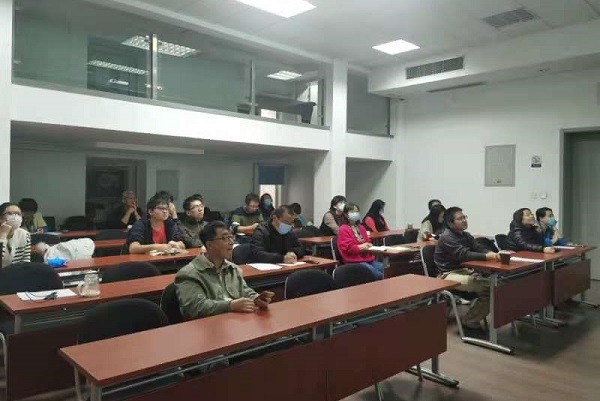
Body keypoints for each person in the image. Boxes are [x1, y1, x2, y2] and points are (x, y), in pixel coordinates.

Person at [175, 221, 274, 319]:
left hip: (234, 321)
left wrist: (256, 298)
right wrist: (230, 306)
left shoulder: (233, 268)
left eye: (231, 237)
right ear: (209, 244)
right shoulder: (189, 274)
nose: (231, 242)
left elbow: (244, 290)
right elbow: (194, 307)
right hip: (207, 325)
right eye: (225, 238)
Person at [434, 207, 498, 329]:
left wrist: (493, 254)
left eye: (464, 217)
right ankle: (469, 321)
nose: (464, 220)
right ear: (450, 223)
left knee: (495, 286)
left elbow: (478, 248)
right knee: (490, 288)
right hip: (447, 275)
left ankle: (471, 319)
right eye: (460, 218)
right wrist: (487, 256)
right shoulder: (447, 237)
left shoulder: (466, 235)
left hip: (464, 271)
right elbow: (463, 254)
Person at [336, 203, 384, 279]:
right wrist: (361, 246)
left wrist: (369, 244)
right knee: (377, 274)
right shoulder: (343, 229)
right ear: (345, 214)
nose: (355, 213)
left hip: (367, 259)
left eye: (357, 211)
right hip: (353, 261)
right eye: (352, 212)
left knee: (386, 269)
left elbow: (368, 241)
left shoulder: (361, 227)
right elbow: (349, 248)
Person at [0, 202, 31, 268]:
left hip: (16, 272)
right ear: (1, 218)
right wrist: (3, 236)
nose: (15, 217)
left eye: (18, 214)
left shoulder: (25, 235)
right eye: (10, 213)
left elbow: (26, 261)